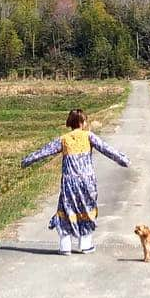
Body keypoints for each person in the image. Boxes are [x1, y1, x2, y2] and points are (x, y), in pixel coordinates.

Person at [21, 108, 129, 254]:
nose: (86, 123)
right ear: (80, 122)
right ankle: (85, 245)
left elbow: (44, 151)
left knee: (66, 211)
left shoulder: (64, 139)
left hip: (69, 183)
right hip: (86, 182)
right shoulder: (89, 136)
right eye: (85, 120)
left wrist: (27, 160)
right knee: (87, 210)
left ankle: (65, 247)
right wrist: (123, 160)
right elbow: (106, 149)